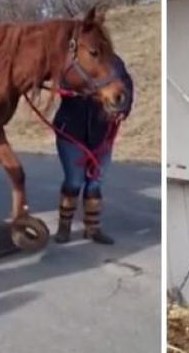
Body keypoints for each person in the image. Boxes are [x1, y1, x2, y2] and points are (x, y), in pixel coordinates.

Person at [53, 54, 133, 245]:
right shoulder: (69, 65)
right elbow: (61, 82)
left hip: (102, 133)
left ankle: (93, 229)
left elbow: (126, 86)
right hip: (71, 132)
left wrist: (124, 109)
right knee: (74, 181)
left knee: (95, 183)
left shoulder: (114, 62)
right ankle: (64, 227)